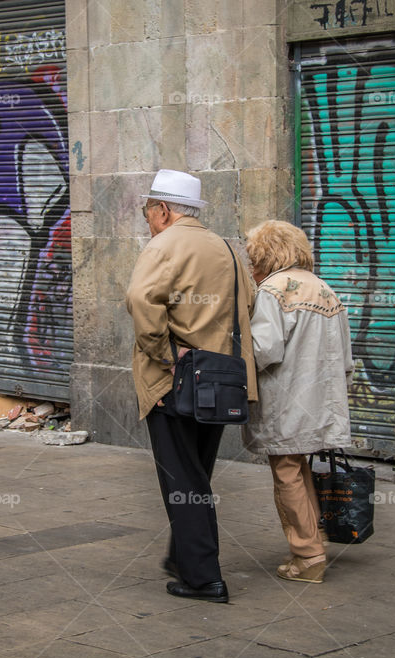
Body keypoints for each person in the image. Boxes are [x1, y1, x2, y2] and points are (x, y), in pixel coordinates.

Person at [125, 169, 257, 603]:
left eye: (149, 212)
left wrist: (165, 356)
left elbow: (143, 303)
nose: (149, 221)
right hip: (221, 382)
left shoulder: (164, 245)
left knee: (183, 480)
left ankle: (203, 578)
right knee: (195, 473)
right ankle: (183, 557)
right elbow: (248, 304)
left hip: (176, 382)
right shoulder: (225, 248)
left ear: (163, 210)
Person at [242, 220, 354, 584]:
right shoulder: (325, 289)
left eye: (252, 256)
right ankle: (314, 537)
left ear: (266, 253)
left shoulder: (274, 290)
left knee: (287, 472)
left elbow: (264, 350)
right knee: (299, 466)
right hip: (320, 402)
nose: (250, 264)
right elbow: (347, 361)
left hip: (286, 402)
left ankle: (307, 556)